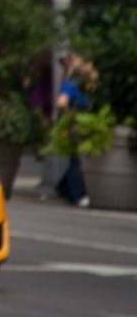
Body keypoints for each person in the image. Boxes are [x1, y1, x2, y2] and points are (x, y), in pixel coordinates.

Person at [56, 55, 97, 208]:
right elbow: (61, 102)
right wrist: (71, 116)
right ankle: (77, 194)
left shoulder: (86, 83)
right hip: (79, 122)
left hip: (83, 122)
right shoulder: (73, 84)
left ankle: (63, 188)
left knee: (77, 158)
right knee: (77, 159)